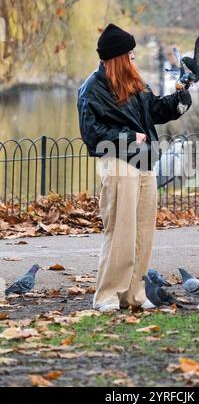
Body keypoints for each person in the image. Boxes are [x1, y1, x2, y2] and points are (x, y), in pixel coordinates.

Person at [77, 23, 192, 312]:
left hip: (144, 162)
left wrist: (180, 99)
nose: (134, 59)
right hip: (117, 161)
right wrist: (129, 136)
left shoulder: (135, 83)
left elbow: (155, 109)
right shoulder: (91, 88)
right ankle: (107, 296)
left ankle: (134, 295)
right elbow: (92, 133)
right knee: (120, 231)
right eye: (130, 55)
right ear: (116, 58)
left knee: (143, 231)